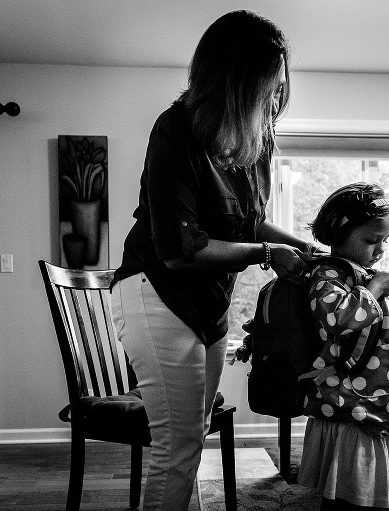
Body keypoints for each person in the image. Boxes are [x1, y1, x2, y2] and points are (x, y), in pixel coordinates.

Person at [109, 10, 315, 511]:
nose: (276, 100)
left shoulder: (258, 140)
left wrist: (309, 250)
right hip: (158, 293)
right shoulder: (176, 130)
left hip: (212, 305)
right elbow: (184, 249)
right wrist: (269, 255)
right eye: (269, 87)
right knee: (176, 448)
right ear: (234, 82)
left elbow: (250, 222)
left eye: (280, 87)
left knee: (192, 436)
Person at [297, 182, 389, 510]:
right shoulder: (326, 275)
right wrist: (374, 288)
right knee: (347, 487)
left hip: (378, 395)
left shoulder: (366, 274)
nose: (380, 249)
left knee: (371, 488)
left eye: (384, 241)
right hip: (349, 400)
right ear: (337, 234)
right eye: (371, 240)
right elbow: (337, 319)